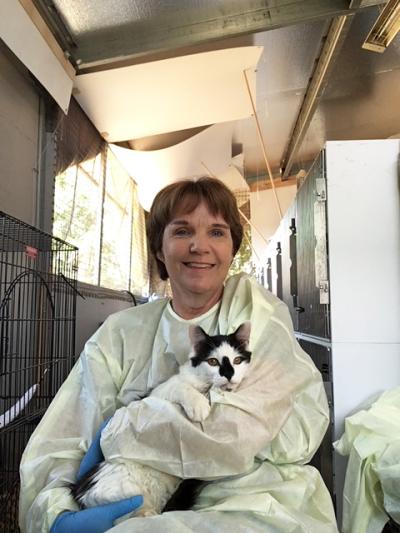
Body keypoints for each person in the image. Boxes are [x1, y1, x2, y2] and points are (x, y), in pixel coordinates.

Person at [19, 176, 338, 532]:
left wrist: (123, 430)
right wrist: (55, 514)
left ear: (233, 248)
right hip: (138, 499)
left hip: (256, 499)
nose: (200, 246)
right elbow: (60, 440)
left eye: (216, 232)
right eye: (182, 231)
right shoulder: (119, 333)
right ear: (158, 247)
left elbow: (257, 431)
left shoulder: (255, 313)